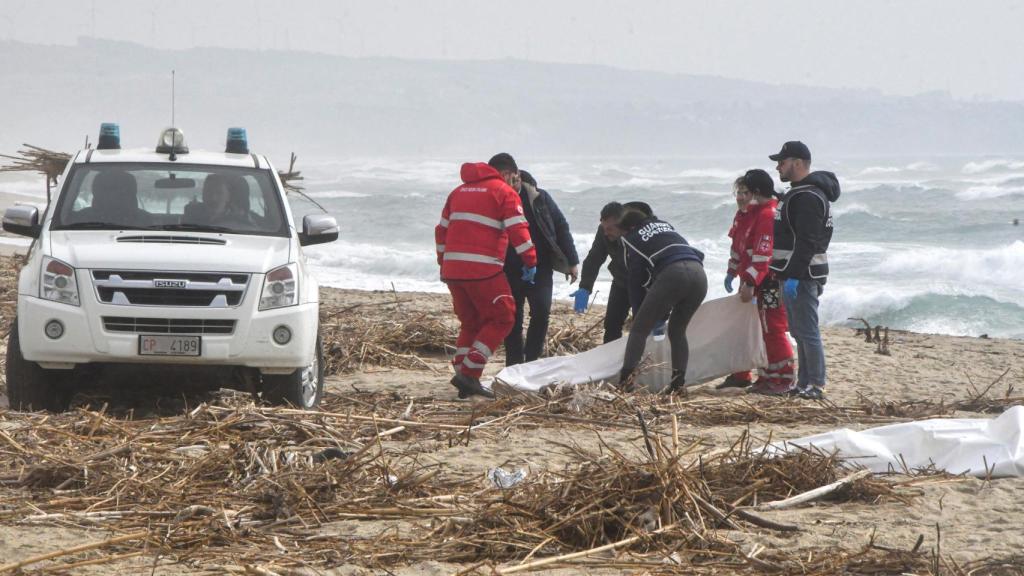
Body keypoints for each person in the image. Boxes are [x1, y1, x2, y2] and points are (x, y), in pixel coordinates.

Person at [435, 160, 538, 399]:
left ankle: (462, 372)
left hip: (453, 270)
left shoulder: (457, 192)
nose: (515, 183)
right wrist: (531, 261)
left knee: (471, 322)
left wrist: (443, 262)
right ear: (505, 174)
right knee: (503, 317)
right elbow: (518, 229)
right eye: (513, 178)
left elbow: (441, 231)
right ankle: (470, 372)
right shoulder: (503, 192)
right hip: (483, 270)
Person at [491, 154, 580, 366]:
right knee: (512, 318)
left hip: (540, 266)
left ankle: (531, 361)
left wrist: (572, 262)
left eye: (505, 177)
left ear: (516, 174)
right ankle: (513, 364)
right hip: (508, 268)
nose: (503, 183)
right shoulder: (493, 200)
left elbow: (560, 226)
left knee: (541, 311)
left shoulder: (539, 197)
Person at [769, 141, 841, 400]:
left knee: (807, 331)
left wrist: (794, 276)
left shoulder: (808, 197)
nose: (778, 166)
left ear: (797, 163)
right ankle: (803, 383)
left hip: (803, 274)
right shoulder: (798, 193)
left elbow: (807, 241)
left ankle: (816, 385)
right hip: (796, 273)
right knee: (798, 331)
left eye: (782, 161)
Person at [719, 170, 795, 395]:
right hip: (751, 279)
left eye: (746, 192)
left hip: (769, 281)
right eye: (739, 193)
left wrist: (751, 281)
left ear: (756, 192)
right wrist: (732, 272)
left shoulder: (767, 215)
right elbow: (739, 246)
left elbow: (764, 254)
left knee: (773, 327)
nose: (742, 197)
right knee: (751, 327)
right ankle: (757, 375)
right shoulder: (746, 214)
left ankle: (783, 377)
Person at [617, 209, 707, 394]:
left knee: (639, 330)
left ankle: (625, 383)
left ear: (629, 228)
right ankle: (677, 384)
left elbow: (636, 280)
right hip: (699, 274)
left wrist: (637, 312)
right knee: (677, 330)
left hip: (673, 274)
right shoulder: (665, 226)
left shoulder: (631, 238)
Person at [573, 202, 629, 342]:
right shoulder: (604, 232)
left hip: (644, 283)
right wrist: (585, 287)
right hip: (621, 280)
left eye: (609, 229)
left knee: (645, 324)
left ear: (622, 225)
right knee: (611, 324)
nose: (605, 232)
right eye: (604, 227)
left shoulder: (639, 231)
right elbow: (594, 259)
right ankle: (610, 361)